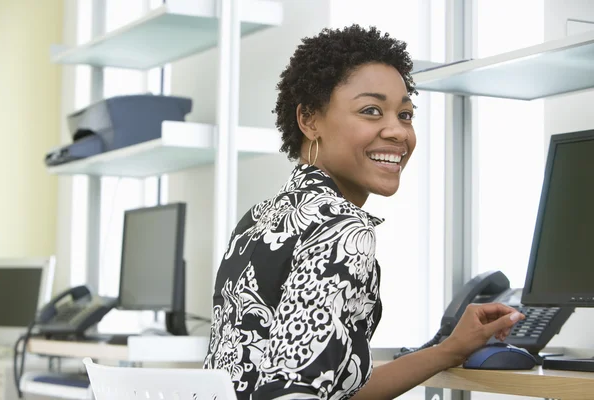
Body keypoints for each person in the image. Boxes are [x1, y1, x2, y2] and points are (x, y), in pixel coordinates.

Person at [203, 25, 525, 400]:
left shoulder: (259, 217)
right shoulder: (341, 229)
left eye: (405, 114)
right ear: (309, 120)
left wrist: (449, 350)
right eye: (371, 111)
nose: (398, 132)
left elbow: (325, 387)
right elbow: (292, 394)